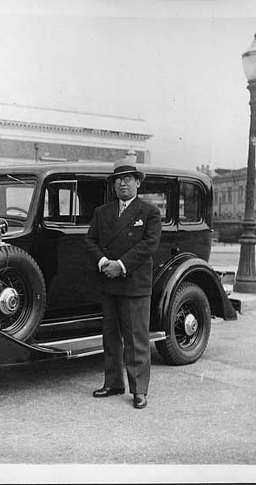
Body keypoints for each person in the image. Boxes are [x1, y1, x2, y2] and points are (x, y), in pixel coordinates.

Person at [85, 158, 162, 409]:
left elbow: (148, 246)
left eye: (128, 179)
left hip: (134, 283)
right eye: (118, 180)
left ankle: (139, 390)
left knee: (136, 338)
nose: (122, 183)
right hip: (108, 281)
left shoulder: (149, 212)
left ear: (137, 182)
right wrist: (104, 262)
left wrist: (121, 265)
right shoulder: (102, 212)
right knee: (110, 337)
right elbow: (90, 241)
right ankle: (113, 383)